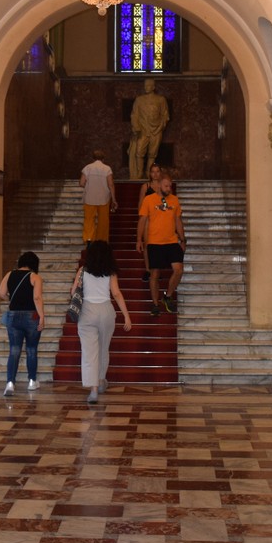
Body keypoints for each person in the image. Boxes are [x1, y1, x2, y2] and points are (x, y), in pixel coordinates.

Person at [72, 240, 132, 404]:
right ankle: (100, 380)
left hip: (87, 311)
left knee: (89, 351)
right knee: (103, 348)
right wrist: (126, 315)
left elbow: (73, 292)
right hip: (106, 311)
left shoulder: (82, 270)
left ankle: (93, 390)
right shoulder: (110, 272)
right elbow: (116, 293)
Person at [136, 172, 186, 316]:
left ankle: (167, 296)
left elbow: (178, 221)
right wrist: (139, 240)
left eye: (170, 186)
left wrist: (183, 239)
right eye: (166, 186)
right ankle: (155, 304)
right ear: (159, 186)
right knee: (155, 274)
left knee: (178, 269)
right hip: (154, 242)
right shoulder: (149, 200)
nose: (169, 188)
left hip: (171, 241)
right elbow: (142, 220)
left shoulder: (175, 200)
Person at [0, 251, 44, 396]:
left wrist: (12, 299)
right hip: (31, 316)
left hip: (13, 316)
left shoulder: (9, 274)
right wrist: (42, 316)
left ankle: (10, 383)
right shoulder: (35, 277)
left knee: (14, 350)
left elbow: (1, 293)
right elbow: (37, 297)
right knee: (31, 349)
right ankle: (32, 381)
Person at [128, 78, 169, 179]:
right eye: (145, 85)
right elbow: (134, 115)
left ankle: (149, 173)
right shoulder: (139, 100)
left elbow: (165, 115)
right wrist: (136, 127)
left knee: (152, 154)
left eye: (149, 85)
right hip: (142, 130)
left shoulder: (161, 99)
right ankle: (139, 173)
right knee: (139, 152)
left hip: (156, 130)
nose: (146, 87)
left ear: (153, 87)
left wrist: (160, 126)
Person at [79, 149, 117, 244]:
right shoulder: (107, 168)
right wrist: (114, 199)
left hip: (89, 198)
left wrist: (89, 185)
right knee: (103, 221)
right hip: (103, 198)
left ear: (93, 158)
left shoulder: (87, 168)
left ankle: (88, 239)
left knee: (89, 220)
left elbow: (81, 183)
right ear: (103, 159)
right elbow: (111, 185)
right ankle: (102, 240)